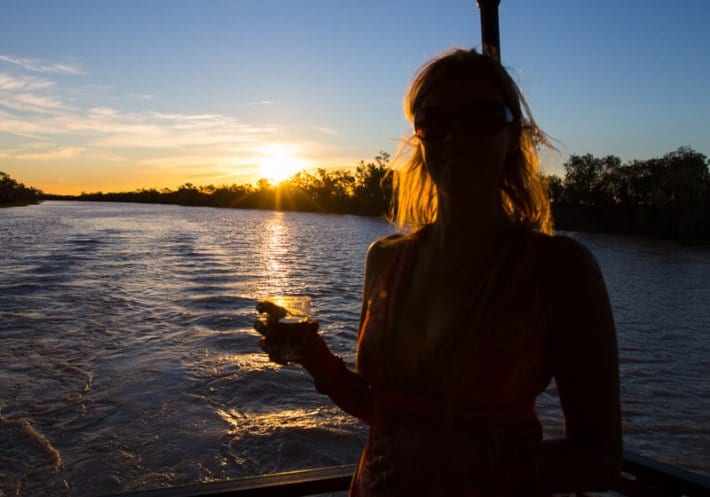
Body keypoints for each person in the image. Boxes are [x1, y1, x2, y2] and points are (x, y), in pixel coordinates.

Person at [255, 48, 622, 496]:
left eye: (482, 118)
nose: (456, 138)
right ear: (420, 138)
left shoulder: (560, 269)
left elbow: (600, 459)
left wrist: (465, 461)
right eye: (436, 121)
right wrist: (315, 357)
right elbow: (383, 410)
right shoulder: (385, 259)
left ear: (514, 136)